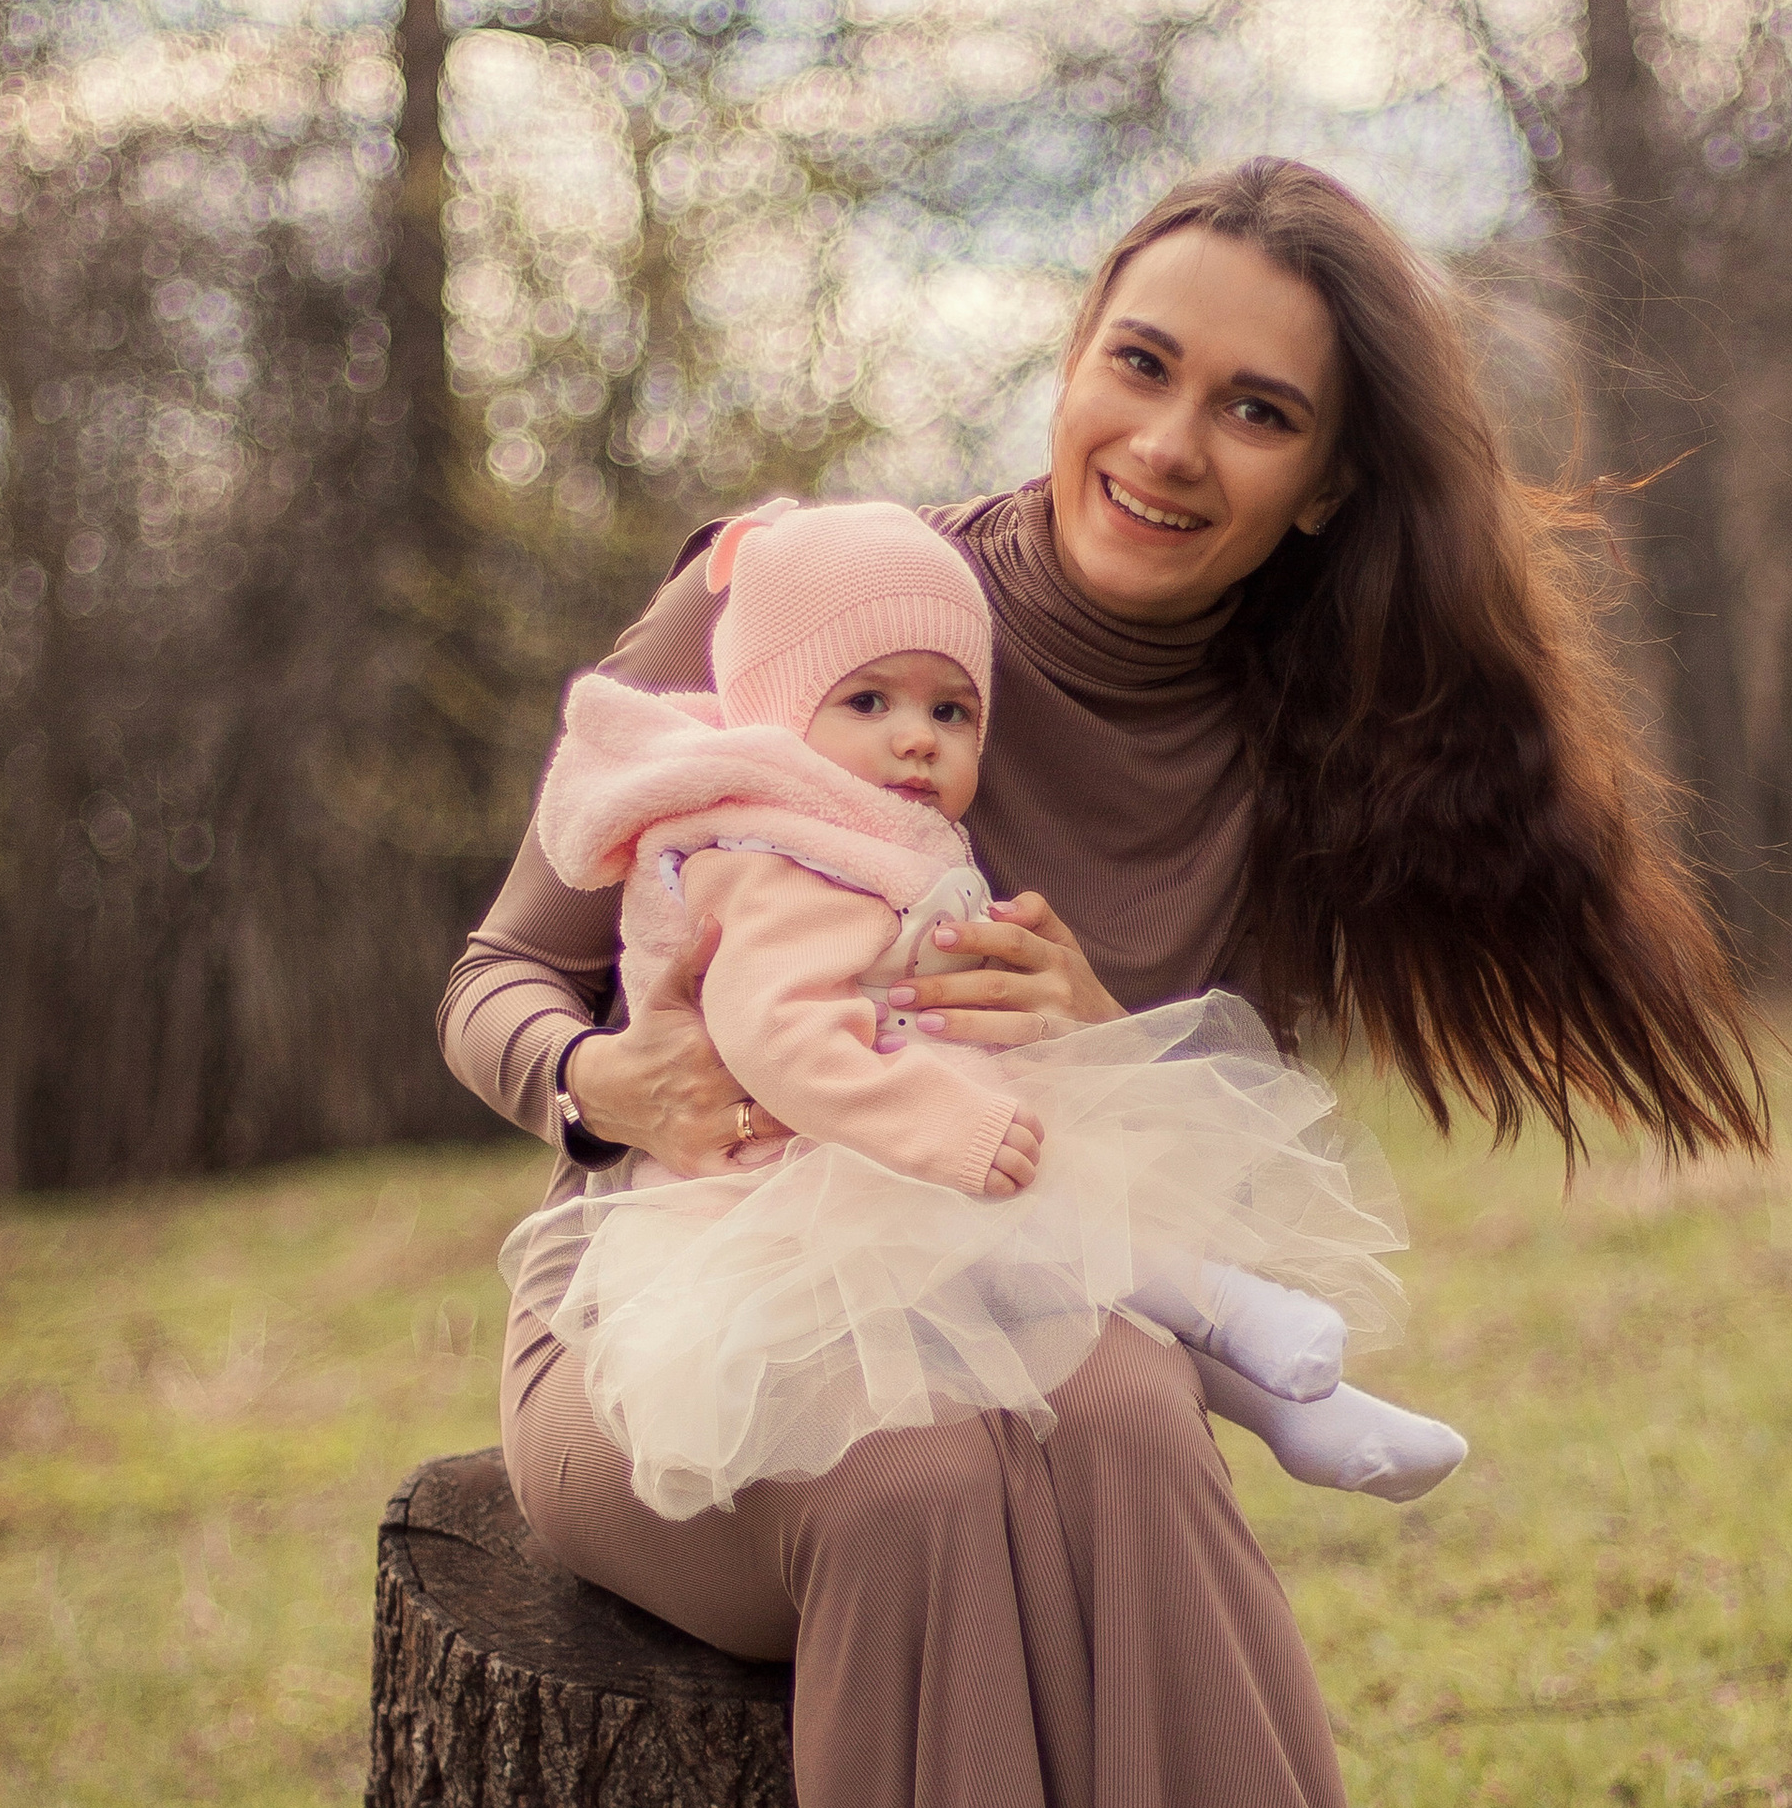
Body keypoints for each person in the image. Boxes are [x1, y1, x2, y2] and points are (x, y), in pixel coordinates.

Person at [441, 155, 1767, 1808]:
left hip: (1021, 1292)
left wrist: (1078, 1031)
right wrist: (600, 1077)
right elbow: (489, 977)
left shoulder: (1290, 740)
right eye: (1136, 364)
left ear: (1323, 478)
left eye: (1253, 412)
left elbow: (1143, 1165)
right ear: (1068, 352)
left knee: (1119, 1428)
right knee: (925, 1485)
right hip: (666, 1319)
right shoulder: (816, 591)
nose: (1165, 442)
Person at [502, 491, 1468, 1519]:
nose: (916, 739)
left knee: (1086, 1225)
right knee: (1056, 1238)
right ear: (780, 712)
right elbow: (775, 1033)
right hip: (798, 1192)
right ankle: (1249, 1336)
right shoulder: (763, 853)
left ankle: (1292, 1406)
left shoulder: (849, 827)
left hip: (887, 1153)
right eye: (867, 702)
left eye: (949, 709)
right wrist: (946, 1124)